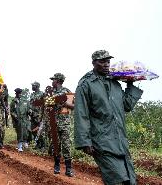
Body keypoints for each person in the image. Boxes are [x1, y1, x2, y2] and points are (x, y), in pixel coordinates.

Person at [74, 50, 143, 185]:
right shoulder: (86, 84)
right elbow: (81, 114)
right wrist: (85, 142)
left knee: (130, 180)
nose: (106, 65)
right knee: (116, 179)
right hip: (101, 141)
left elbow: (127, 106)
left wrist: (130, 84)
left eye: (108, 62)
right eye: (102, 62)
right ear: (93, 63)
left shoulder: (114, 82)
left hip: (120, 140)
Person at [49, 73, 74, 177]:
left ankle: (68, 169)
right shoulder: (51, 92)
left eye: (53, 79)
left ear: (58, 80)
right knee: (56, 146)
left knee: (66, 145)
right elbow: (48, 105)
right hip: (54, 123)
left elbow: (73, 106)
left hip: (64, 123)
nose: (52, 81)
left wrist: (64, 103)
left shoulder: (67, 91)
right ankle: (57, 166)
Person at [29, 81, 45, 150]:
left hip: (39, 115)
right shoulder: (32, 94)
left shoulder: (42, 94)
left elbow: (44, 104)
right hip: (32, 115)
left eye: (33, 86)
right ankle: (38, 144)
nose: (32, 87)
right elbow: (30, 103)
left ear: (37, 86)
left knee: (40, 131)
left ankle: (43, 145)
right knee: (33, 130)